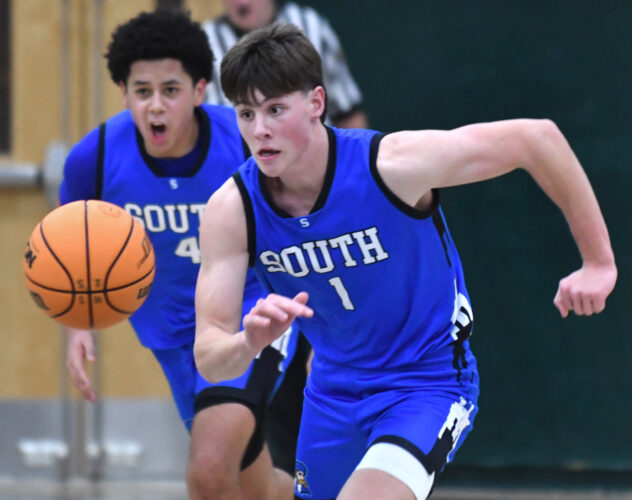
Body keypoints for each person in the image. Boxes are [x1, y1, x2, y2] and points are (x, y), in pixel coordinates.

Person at [193, 24, 618, 500]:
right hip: (332, 392)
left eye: (275, 109)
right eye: (246, 113)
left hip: (426, 382)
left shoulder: (388, 166)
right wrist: (247, 342)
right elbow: (209, 356)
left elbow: (536, 138)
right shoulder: (232, 209)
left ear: (316, 103)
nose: (259, 130)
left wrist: (598, 262)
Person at [60, 11, 297, 500]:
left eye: (170, 90)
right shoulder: (95, 158)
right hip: (170, 335)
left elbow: (304, 223)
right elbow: (69, 251)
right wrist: (78, 325)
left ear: (199, 91)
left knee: (207, 472)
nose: (155, 105)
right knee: (249, 486)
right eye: (142, 91)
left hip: (249, 316)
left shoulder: (245, 144)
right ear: (123, 93)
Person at [202, 0, 368, 129]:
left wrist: (360, 163)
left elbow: (348, 112)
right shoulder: (206, 42)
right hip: (240, 158)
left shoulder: (309, 25)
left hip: (314, 155)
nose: (243, 2)